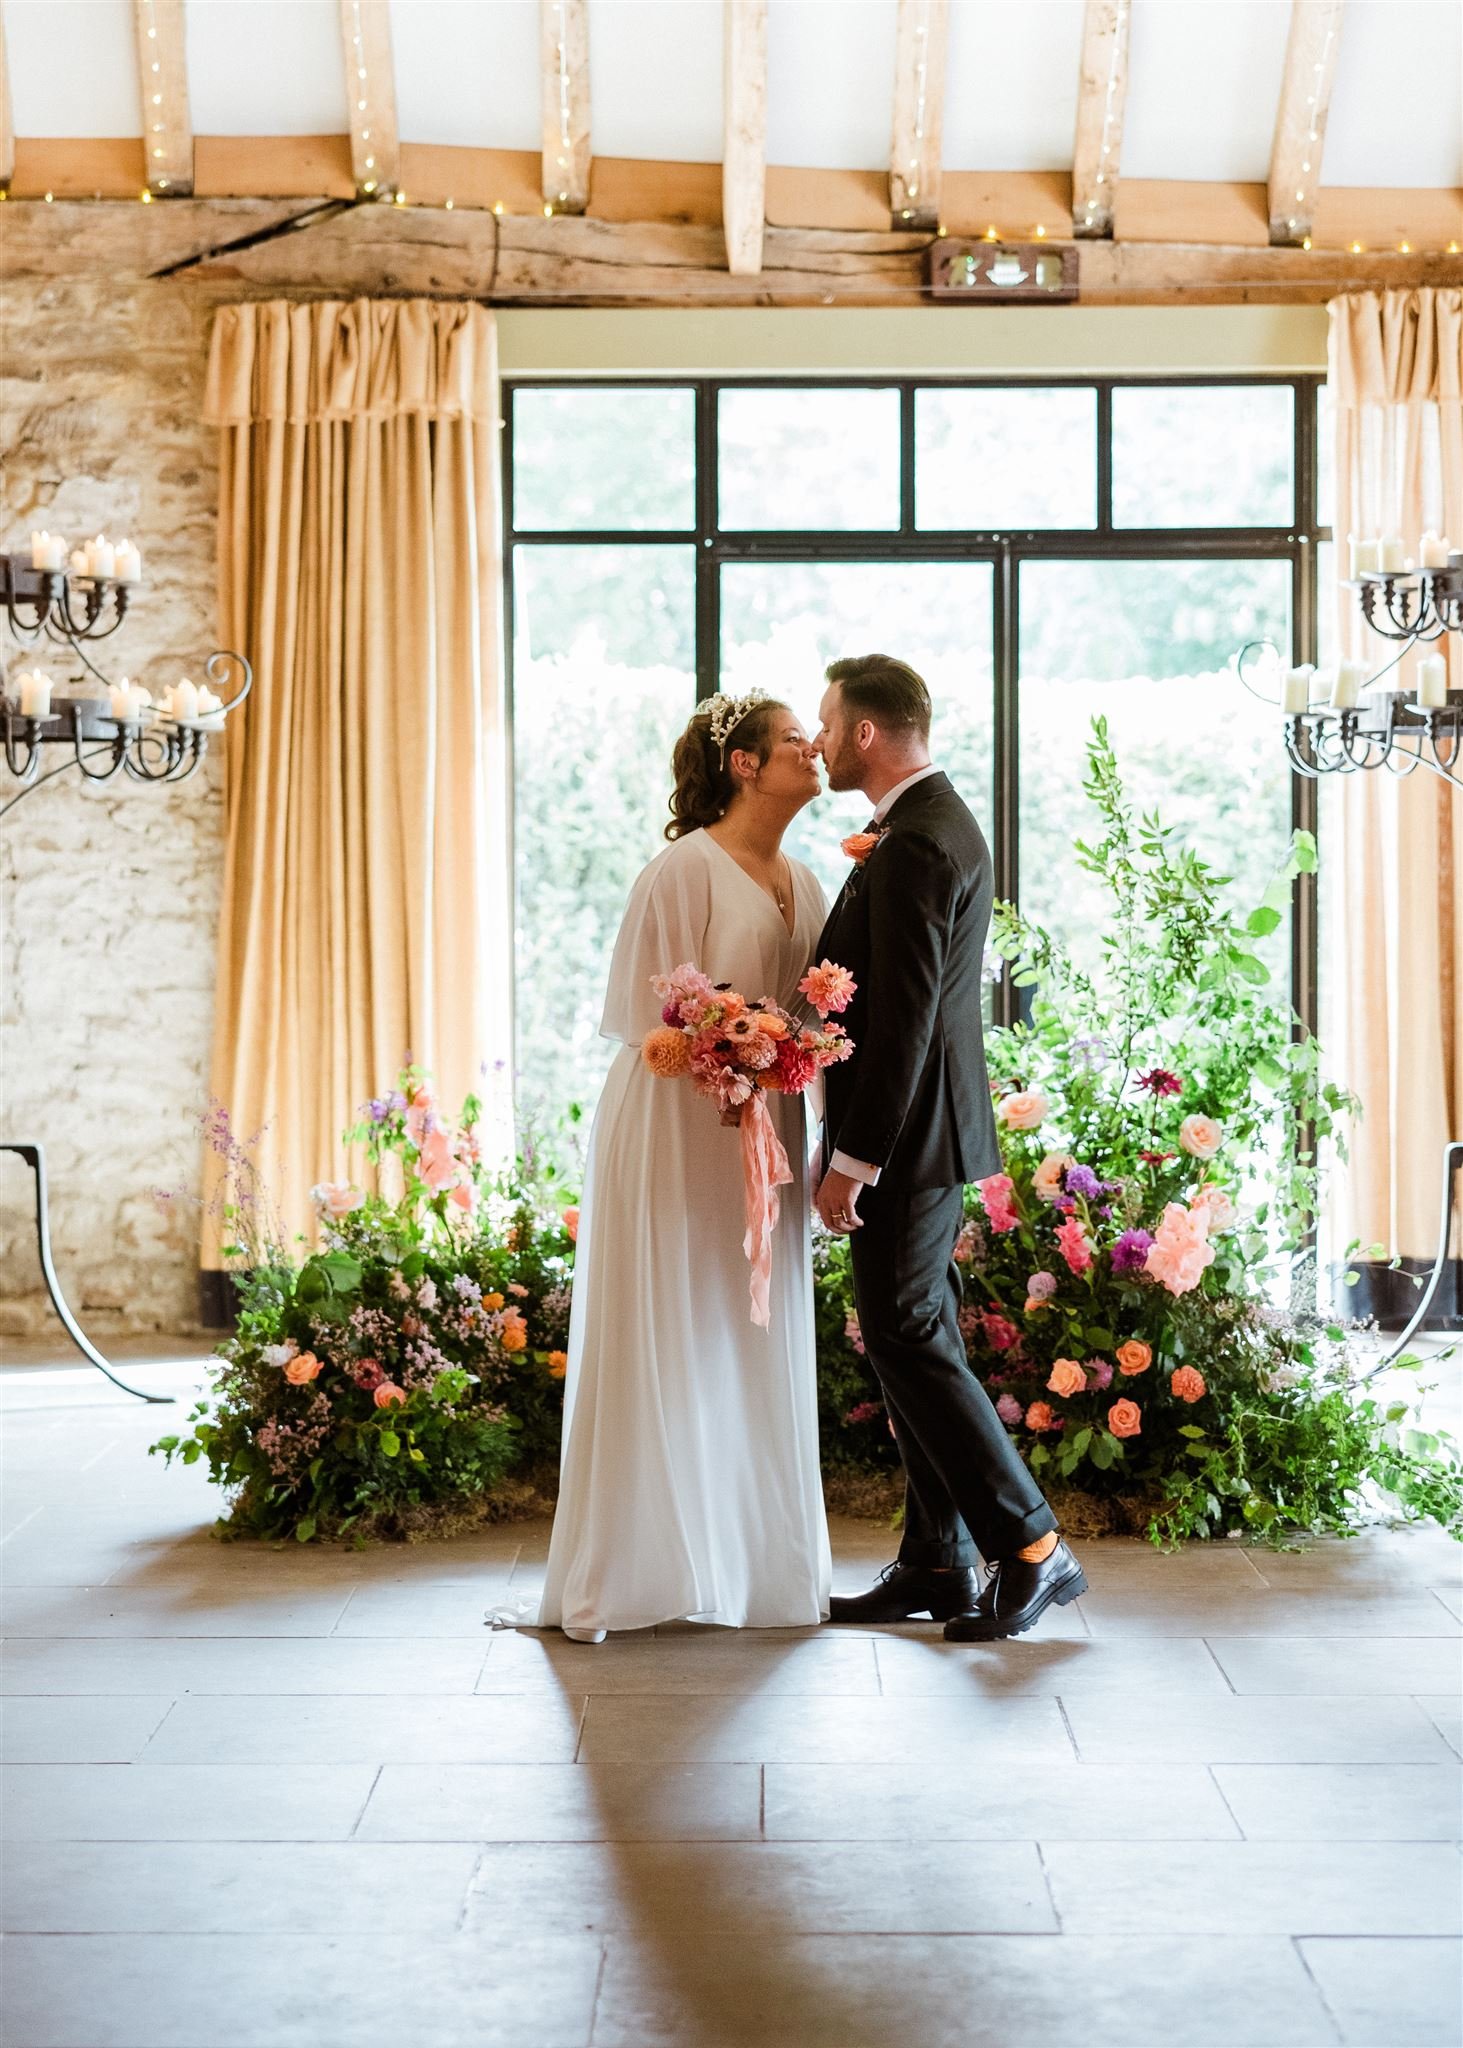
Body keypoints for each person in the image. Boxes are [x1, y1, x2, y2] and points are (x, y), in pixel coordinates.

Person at [536, 694, 833, 1641]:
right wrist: (726, 1046)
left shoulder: (808, 877)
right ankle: (643, 1565)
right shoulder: (682, 868)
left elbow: (821, 1017)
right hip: (677, 1122)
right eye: (794, 739)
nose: (813, 748)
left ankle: (754, 1566)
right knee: (673, 1316)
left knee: (752, 1321)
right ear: (743, 763)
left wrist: (791, 1064)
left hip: (769, 1125)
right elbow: (649, 1014)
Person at [811, 653, 1086, 1641]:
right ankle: (937, 1558)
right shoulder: (919, 828)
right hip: (921, 1136)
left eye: (827, 720)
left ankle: (1033, 1546)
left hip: (910, 1140)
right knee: (908, 1333)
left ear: (867, 734)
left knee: (905, 1336)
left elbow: (907, 1020)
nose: (818, 736)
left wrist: (854, 1155)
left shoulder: (920, 840)